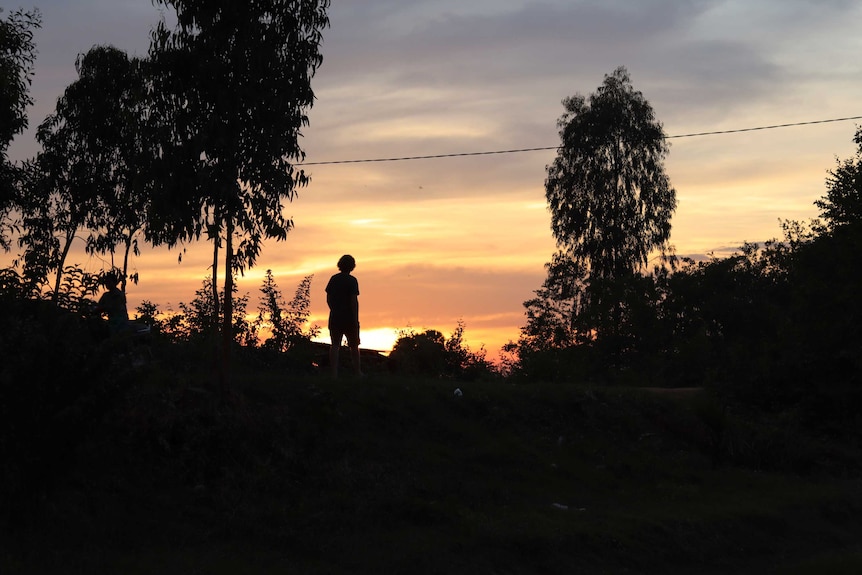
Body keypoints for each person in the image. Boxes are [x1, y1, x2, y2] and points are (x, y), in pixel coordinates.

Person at [325, 254, 362, 378]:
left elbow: (328, 298)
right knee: (354, 346)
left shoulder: (333, 279)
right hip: (349, 318)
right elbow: (353, 301)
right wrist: (355, 319)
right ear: (352, 266)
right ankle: (357, 373)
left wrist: (334, 309)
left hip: (335, 316)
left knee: (335, 345)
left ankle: (334, 374)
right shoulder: (352, 281)